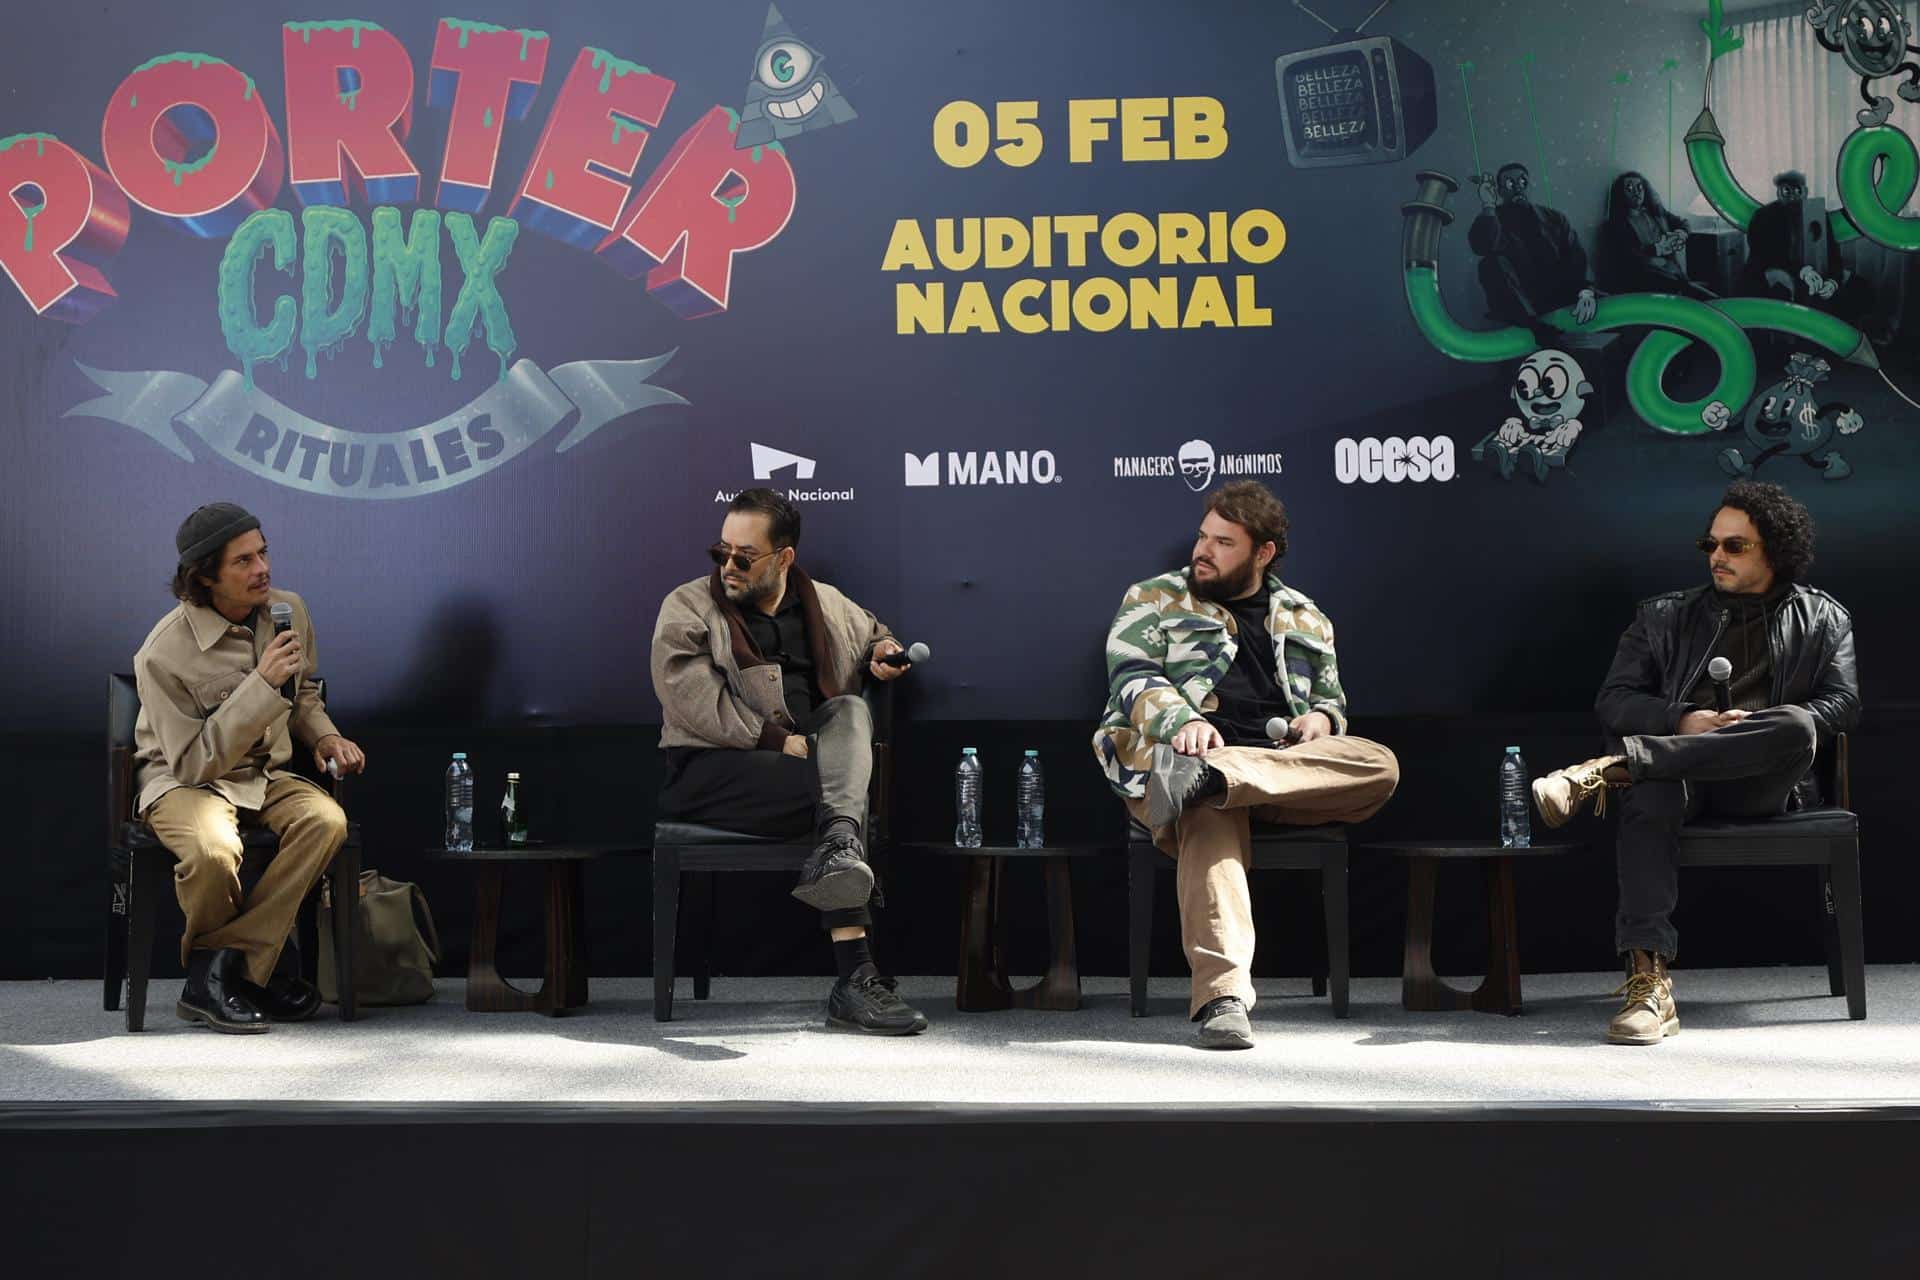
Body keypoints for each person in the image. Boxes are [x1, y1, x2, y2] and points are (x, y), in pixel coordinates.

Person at [1531, 481, 1859, 1045]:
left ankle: (1616, 767)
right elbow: (1614, 698)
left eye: (1736, 546)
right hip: (1679, 781)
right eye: (1711, 543)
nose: (1717, 556)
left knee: (1797, 724)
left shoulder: (1824, 619)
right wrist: (1684, 719)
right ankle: (1649, 985)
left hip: (1764, 781)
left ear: (1775, 550)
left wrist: (1755, 726)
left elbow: (1841, 703)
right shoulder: (1663, 617)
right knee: (1654, 790)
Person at [1093, 481, 1400, 1049]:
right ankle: (1222, 1000)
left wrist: (1323, 724)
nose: (1202, 551)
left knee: (1380, 764)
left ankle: (1222, 776)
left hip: (1275, 771)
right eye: (1203, 537)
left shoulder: (1307, 617)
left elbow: (1331, 700)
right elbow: (1132, 676)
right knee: (1206, 809)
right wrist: (1182, 723)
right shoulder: (1153, 598)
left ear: (1264, 553)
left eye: (1223, 543)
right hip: (1178, 758)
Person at [651, 488, 928, 1035]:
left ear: (784, 559)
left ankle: (840, 848)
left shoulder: (824, 601)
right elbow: (691, 699)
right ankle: (855, 977)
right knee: (840, 793)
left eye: (744, 556)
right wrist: (778, 741)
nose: (728, 565)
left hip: (809, 769)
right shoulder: (687, 606)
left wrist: (881, 654)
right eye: (721, 551)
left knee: (849, 713)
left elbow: (877, 633)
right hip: (713, 771)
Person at [133, 503, 366, 1033]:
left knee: (326, 822)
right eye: (243, 561)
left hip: (265, 774)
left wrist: (326, 735)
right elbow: (192, 763)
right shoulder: (162, 653)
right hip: (183, 781)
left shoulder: (289, 611)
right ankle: (256, 971)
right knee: (214, 851)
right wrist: (259, 686)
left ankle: (218, 973)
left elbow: (301, 694)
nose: (262, 568)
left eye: (262, 552)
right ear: (205, 578)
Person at [1469, 162, 1600, 336]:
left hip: (1561, 293)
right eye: (1509, 183)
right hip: (1523, 301)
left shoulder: (1554, 218)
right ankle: (1535, 326)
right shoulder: (1494, 218)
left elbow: (1576, 256)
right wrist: (1488, 207)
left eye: (1523, 182)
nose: (1517, 188)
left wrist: (1586, 292)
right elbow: (1483, 247)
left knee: (1617, 309)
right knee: (1490, 263)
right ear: (1499, 191)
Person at [1599, 171, 1715, 299]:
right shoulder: (1617, 223)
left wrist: (1681, 234)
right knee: (1695, 292)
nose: (1636, 192)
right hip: (1644, 277)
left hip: (1671, 271)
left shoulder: (1656, 213)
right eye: (1629, 188)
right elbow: (1628, 255)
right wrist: (1657, 248)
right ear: (1621, 194)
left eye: (1640, 187)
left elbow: (1683, 223)